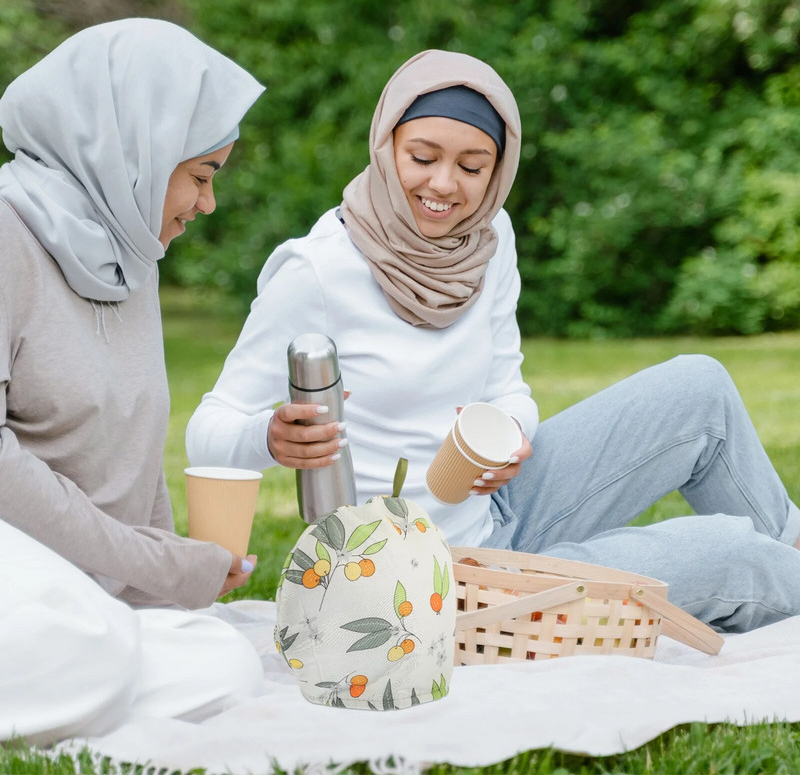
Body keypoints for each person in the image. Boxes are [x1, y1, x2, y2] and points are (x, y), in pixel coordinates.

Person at [186, 49, 800, 635]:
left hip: (498, 510)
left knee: (700, 386)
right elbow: (207, 429)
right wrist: (270, 440)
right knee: (727, 555)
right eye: (421, 156)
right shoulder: (317, 271)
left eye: (473, 167)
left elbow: (510, 387)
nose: (445, 185)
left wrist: (510, 432)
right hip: (418, 583)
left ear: (498, 170)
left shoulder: (487, 238)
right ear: (384, 146)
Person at [0, 18, 265, 744]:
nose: (208, 203)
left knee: (226, 665)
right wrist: (157, 564)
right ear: (135, 151)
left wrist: (167, 585)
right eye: (203, 174)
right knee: (89, 648)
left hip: (87, 599)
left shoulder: (129, 255)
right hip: (18, 572)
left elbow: (135, 452)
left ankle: (99, 660)